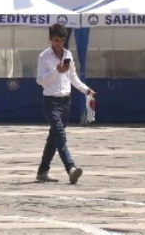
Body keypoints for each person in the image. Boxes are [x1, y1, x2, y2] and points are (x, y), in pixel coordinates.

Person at [34, 22, 94, 184]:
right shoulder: (44, 56)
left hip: (66, 102)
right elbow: (40, 80)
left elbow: (73, 77)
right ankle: (71, 168)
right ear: (50, 39)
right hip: (51, 101)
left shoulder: (68, 55)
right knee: (60, 134)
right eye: (56, 40)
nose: (59, 44)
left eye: (61, 40)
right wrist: (55, 72)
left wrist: (86, 90)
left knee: (54, 138)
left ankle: (42, 171)